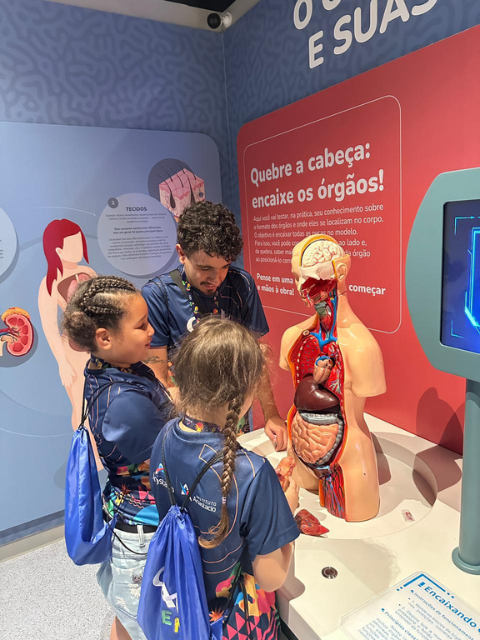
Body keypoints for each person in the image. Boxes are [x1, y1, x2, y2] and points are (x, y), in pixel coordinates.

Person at [150, 317, 300, 639]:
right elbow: (271, 577)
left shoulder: (164, 435)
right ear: (246, 392)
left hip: (178, 603)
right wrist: (285, 509)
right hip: (231, 622)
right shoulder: (254, 473)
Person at [62, 275, 173, 640]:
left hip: (127, 514)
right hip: (144, 534)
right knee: (152, 624)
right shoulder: (124, 405)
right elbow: (169, 458)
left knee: (126, 616)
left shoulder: (115, 367)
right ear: (104, 338)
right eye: (141, 325)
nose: (151, 331)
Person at [142, 201, 288, 450]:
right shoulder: (158, 295)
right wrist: (204, 419)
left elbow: (257, 356)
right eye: (205, 268)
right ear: (181, 253)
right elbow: (159, 379)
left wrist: (271, 414)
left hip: (233, 417)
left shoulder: (241, 285)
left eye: (225, 267)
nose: (216, 279)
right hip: (183, 421)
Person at [38, 219, 97, 430]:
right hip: (73, 350)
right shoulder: (49, 283)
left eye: (80, 242)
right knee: (81, 406)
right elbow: (50, 326)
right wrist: (62, 362)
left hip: (98, 343)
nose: (79, 248)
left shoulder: (88, 271)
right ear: (58, 251)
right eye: (73, 244)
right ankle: (85, 449)